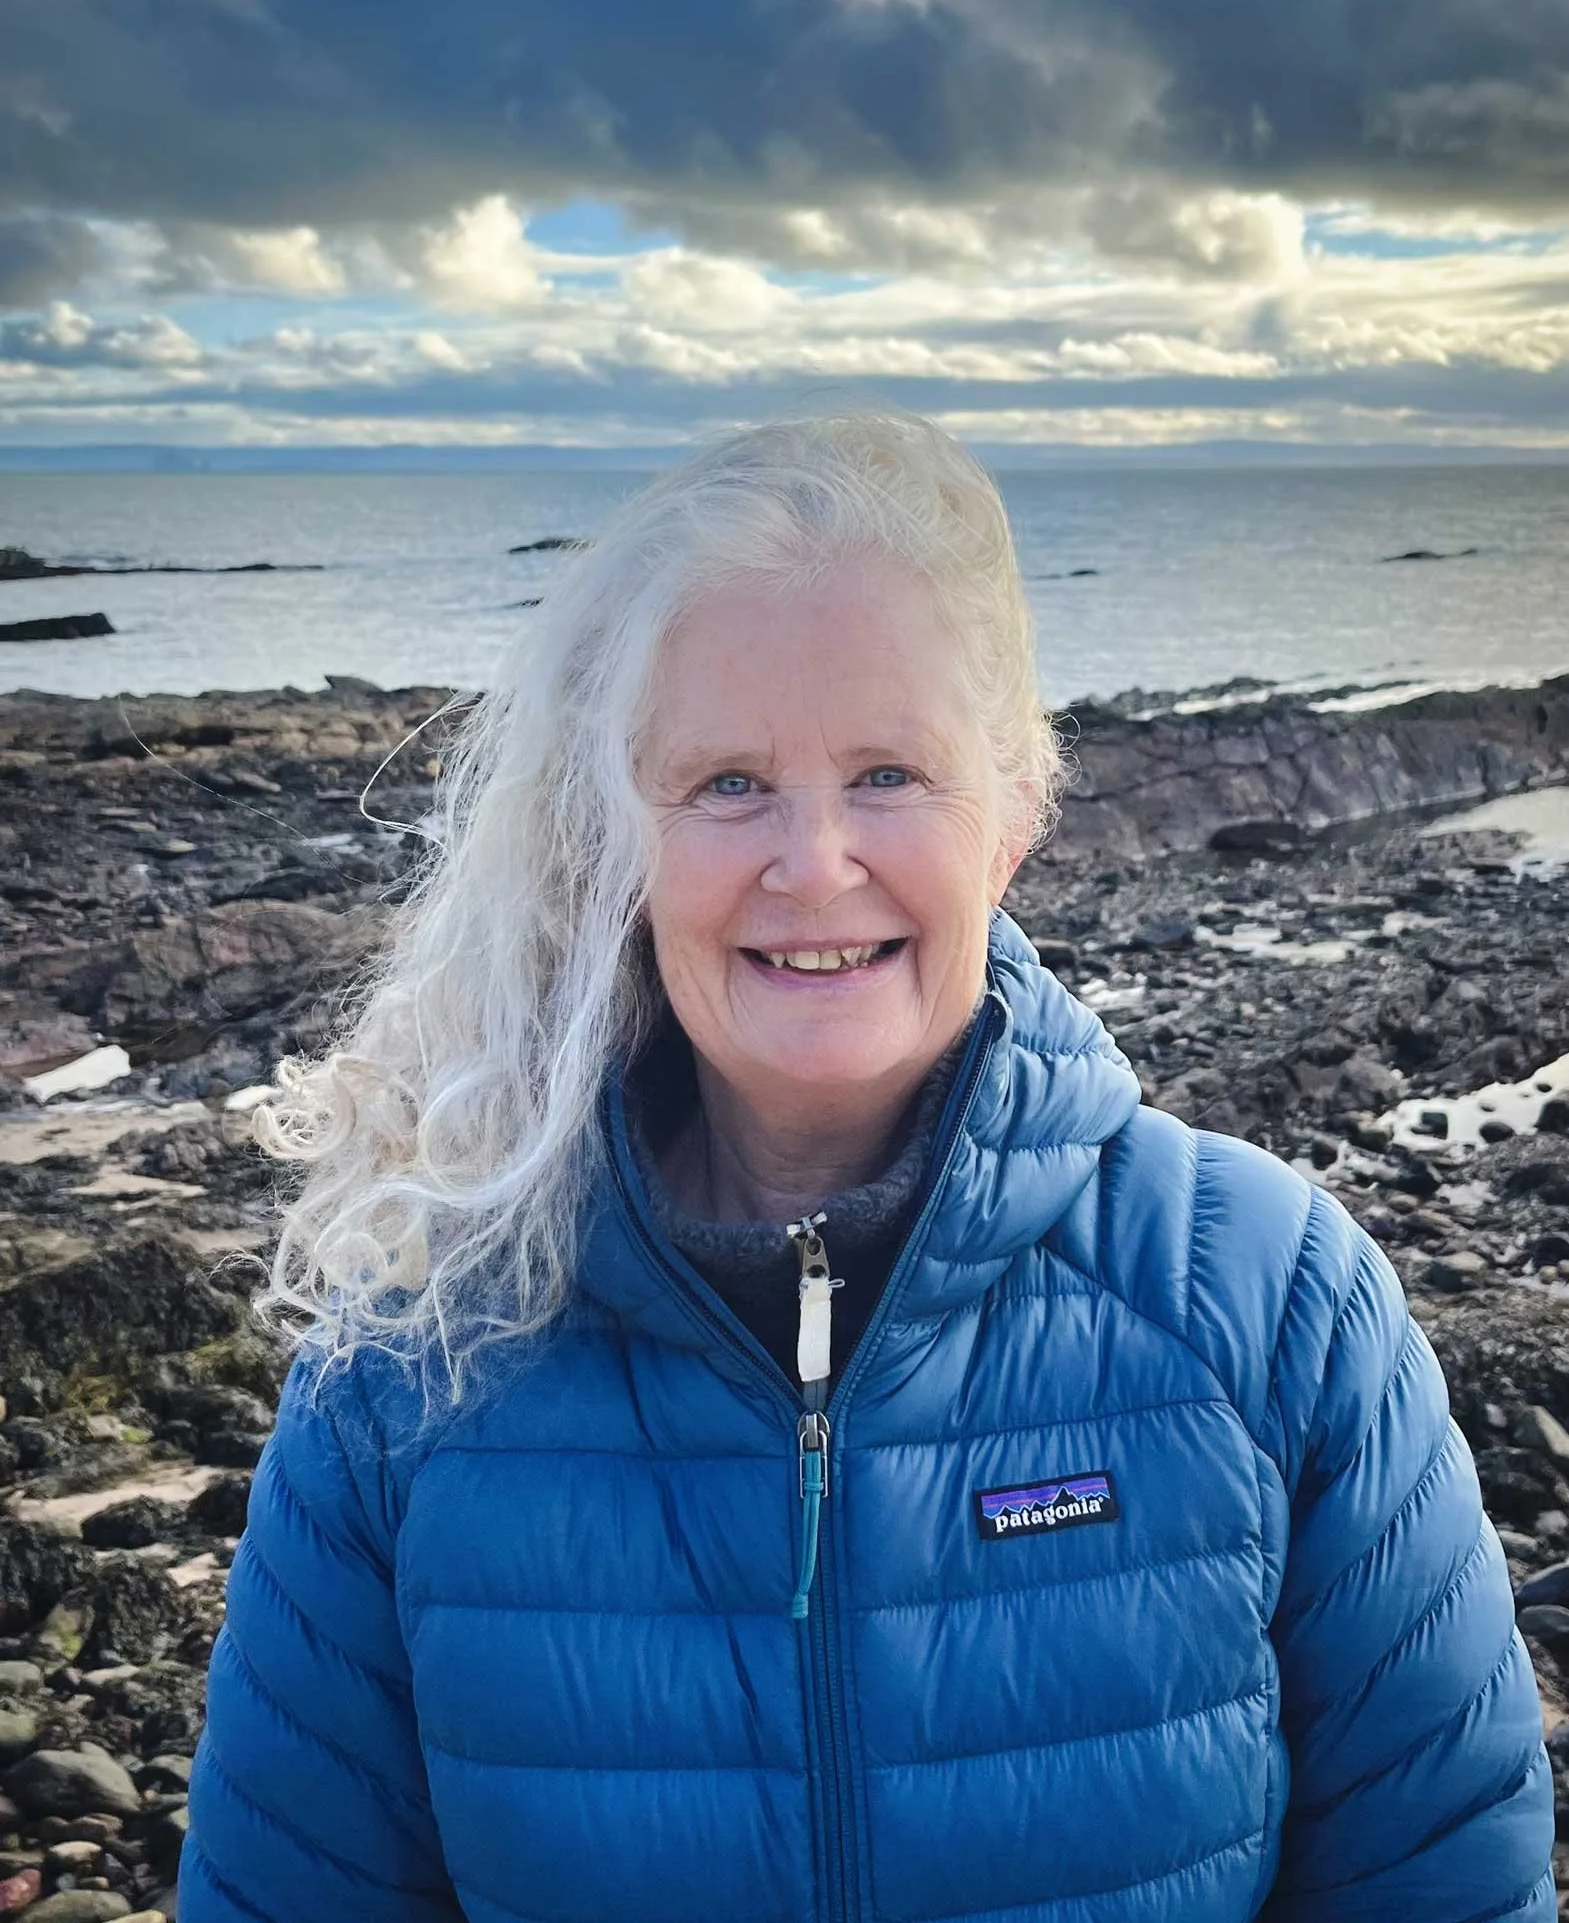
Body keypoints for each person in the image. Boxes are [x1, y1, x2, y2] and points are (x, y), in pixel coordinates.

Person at [179, 410, 1553, 1923]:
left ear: (1015, 807)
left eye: (890, 772)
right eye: (724, 784)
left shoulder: (1274, 1300)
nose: (815, 862)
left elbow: (1447, 1886)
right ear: (611, 833)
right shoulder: (410, 1369)